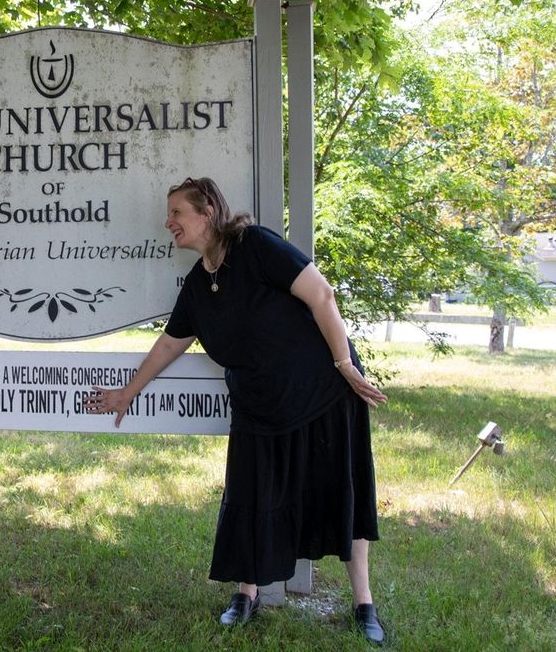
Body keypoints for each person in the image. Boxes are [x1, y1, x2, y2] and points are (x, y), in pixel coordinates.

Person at [86, 177, 389, 645]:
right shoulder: (198, 283)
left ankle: (364, 602)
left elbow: (322, 295)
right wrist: (128, 392)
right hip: (258, 406)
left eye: (176, 214)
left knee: (340, 494)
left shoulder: (257, 246)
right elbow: (171, 342)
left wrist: (345, 365)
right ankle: (246, 593)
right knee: (251, 498)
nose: (169, 223)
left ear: (207, 211)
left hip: (322, 390)